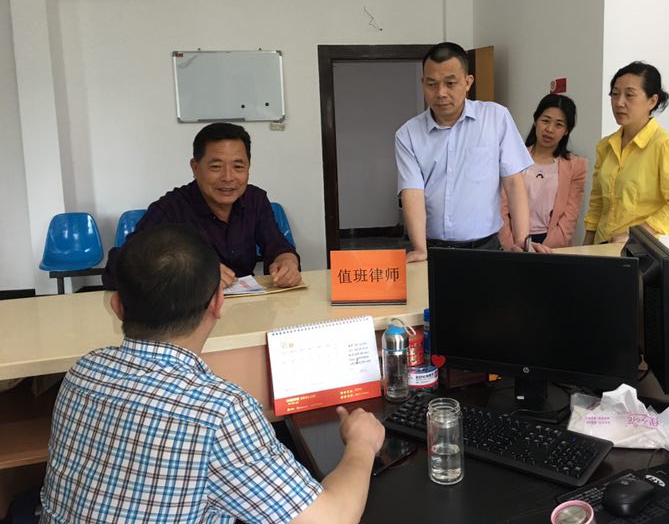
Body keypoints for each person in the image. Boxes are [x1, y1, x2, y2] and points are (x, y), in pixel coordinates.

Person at [42, 224, 385, 523]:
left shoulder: (82, 371)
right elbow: (332, 518)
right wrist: (361, 443)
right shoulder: (219, 412)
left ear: (117, 306)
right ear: (217, 303)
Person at [103, 122, 300, 289]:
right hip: (190, 314)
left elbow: (276, 245)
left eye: (238, 167)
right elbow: (117, 269)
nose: (228, 177)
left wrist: (286, 260)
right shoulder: (171, 208)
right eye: (216, 167)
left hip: (244, 307)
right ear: (195, 167)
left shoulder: (255, 200)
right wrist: (191, 272)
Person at [395, 42, 532, 262]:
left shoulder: (496, 118)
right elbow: (412, 192)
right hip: (433, 250)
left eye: (450, 83)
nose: (441, 93)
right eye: (432, 84)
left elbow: (514, 183)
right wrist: (420, 248)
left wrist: (522, 240)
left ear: (468, 82)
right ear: (423, 83)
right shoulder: (408, 134)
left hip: (485, 248)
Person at [583, 62, 669, 245]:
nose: (619, 102)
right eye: (615, 94)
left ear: (652, 101)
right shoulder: (605, 146)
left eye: (629, 95)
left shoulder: (666, 146)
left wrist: (639, 234)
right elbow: (597, 202)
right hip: (602, 247)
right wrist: (587, 247)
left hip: (641, 250)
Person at [498, 93, 587, 250]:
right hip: (513, 243)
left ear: (567, 130)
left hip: (552, 246)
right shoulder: (513, 157)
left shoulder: (576, 166)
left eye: (559, 125)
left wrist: (543, 251)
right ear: (535, 120)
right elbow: (501, 209)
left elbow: (569, 218)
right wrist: (513, 246)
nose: (549, 129)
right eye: (545, 121)